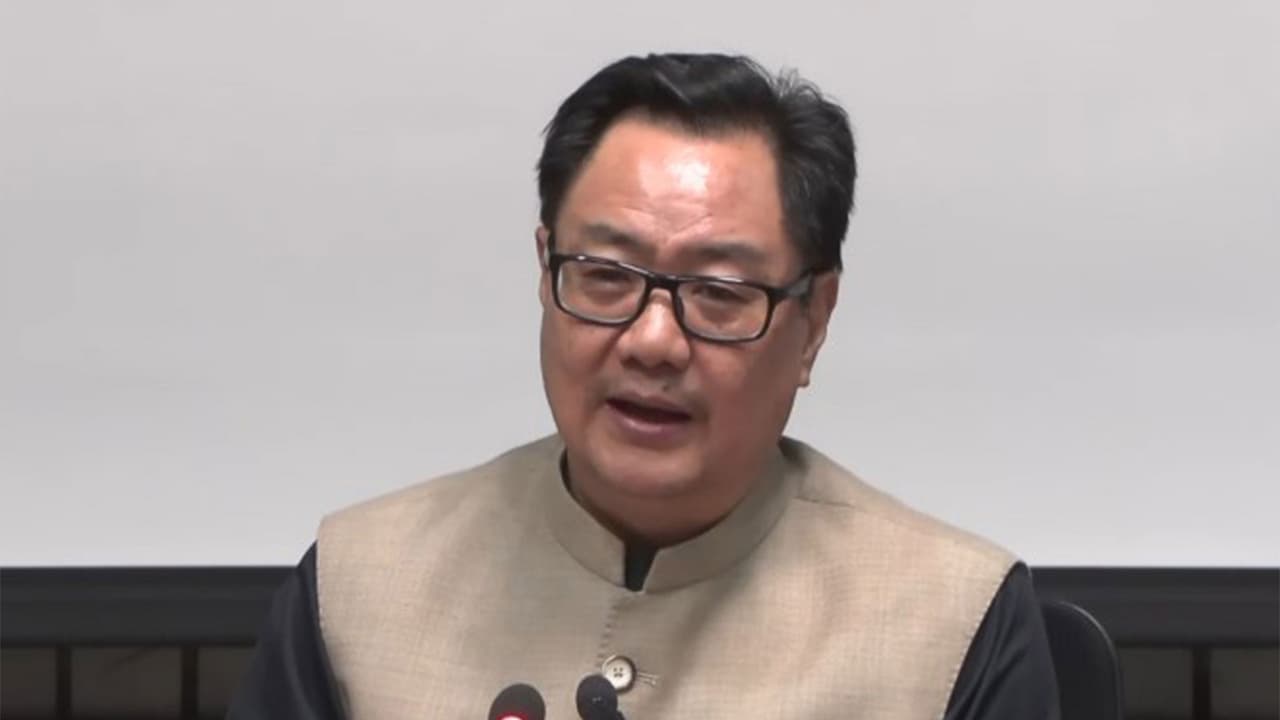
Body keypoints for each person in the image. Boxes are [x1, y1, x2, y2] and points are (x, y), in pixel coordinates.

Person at [228, 53, 1060, 719]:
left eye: (720, 292)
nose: (652, 341)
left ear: (814, 321)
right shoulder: (357, 589)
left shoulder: (954, 624)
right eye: (604, 276)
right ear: (545, 269)